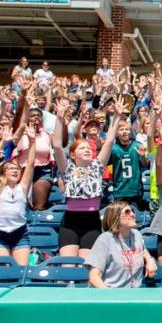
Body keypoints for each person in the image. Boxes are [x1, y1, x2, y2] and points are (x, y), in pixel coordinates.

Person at [52, 99, 125, 258]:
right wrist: (58, 117)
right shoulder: (68, 168)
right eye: (82, 148)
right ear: (72, 154)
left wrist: (117, 116)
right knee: (68, 265)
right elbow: (57, 145)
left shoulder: (97, 166)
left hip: (92, 222)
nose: (87, 150)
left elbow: (110, 141)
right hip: (71, 222)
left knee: (86, 266)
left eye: (88, 148)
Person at [0, 126, 37, 266]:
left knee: (21, 270)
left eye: (17, 169)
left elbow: (31, 163)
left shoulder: (22, 186)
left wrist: (32, 141)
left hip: (20, 233)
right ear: (3, 172)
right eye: (10, 168)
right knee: (4, 271)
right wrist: (3, 142)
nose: (15, 171)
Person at [86, 201, 157, 288]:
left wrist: (149, 260)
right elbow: (94, 277)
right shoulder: (105, 239)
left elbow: (143, 250)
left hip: (135, 294)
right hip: (111, 293)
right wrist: (110, 296)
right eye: (127, 212)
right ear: (115, 217)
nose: (132, 214)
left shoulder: (137, 235)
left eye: (133, 211)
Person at [107, 120, 148, 211]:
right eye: (121, 129)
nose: (125, 131)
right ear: (117, 133)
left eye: (127, 129)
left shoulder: (137, 145)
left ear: (130, 131)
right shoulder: (113, 148)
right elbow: (107, 166)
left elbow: (145, 165)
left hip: (135, 190)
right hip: (119, 190)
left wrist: (143, 157)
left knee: (136, 217)